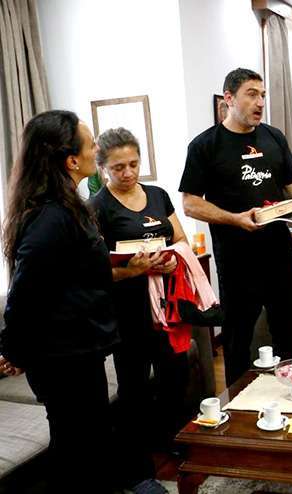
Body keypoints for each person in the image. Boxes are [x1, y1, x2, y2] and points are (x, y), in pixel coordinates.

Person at [179, 68, 292, 386]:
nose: (260, 101)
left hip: (278, 249)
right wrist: (234, 219)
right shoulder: (205, 145)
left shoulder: (273, 136)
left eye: (263, 94)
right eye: (252, 93)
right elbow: (190, 203)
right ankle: (237, 407)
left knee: (287, 332)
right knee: (238, 339)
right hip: (236, 259)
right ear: (229, 99)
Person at [0, 110, 118, 492]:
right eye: (90, 144)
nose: (96, 148)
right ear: (71, 160)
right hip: (62, 359)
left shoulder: (68, 206)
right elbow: (25, 290)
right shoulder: (50, 216)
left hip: (78, 350)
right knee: (76, 450)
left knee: (88, 445)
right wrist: (13, 350)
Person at [89, 127, 188, 494]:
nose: (128, 173)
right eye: (119, 168)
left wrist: (169, 260)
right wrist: (135, 269)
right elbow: (97, 270)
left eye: (133, 164)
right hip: (126, 311)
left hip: (165, 304)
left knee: (174, 375)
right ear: (103, 169)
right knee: (133, 388)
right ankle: (137, 464)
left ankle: (174, 441)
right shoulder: (96, 207)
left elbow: (178, 239)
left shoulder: (158, 195)